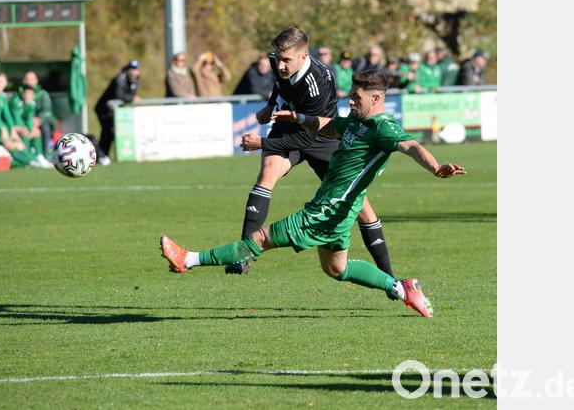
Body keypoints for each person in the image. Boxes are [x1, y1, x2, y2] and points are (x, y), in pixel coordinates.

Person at [160, 70, 467, 319]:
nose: (350, 100)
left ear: (376, 98)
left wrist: (436, 167)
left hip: (329, 210)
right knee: (337, 268)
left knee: (261, 240)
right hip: (340, 210)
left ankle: (188, 260)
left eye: (356, 97)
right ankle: (404, 289)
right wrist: (298, 118)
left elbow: (410, 146)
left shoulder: (382, 128)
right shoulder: (356, 122)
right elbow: (330, 126)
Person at [231, 27, 396, 283]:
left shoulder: (319, 81)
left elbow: (306, 138)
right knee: (267, 174)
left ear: (304, 56)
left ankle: (390, 278)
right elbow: (281, 84)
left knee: (360, 204)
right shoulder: (280, 62)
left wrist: (262, 142)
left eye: (286, 60)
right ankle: (243, 254)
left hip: (320, 133)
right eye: (278, 57)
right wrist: (270, 105)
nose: (280, 64)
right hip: (288, 123)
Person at [0, 73, 49, 168]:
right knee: (14, 144)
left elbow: (8, 116)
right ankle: (31, 161)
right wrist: (4, 128)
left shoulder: (3, 97)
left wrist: (16, 130)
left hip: (4, 128)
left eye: (2, 81)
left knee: (25, 139)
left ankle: (36, 159)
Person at [94, 60, 141, 162]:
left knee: (110, 132)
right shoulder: (120, 78)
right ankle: (101, 155)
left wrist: (131, 98)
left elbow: (131, 94)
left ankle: (103, 155)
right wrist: (131, 99)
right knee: (107, 132)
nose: (133, 72)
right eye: (132, 69)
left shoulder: (135, 80)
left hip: (114, 110)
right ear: (128, 69)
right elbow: (119, 95)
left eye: (136, 69)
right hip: (104, 109)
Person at [9, 85, 53, 168]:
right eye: (27, 94)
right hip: (12, 127)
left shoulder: (31, 104)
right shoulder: (16, 102)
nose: (29, 96)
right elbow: (16, 119)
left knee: (36, 131)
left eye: (31, 94)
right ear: (23, 94)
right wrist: (23, 129)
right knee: (25, 134)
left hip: (21, 126)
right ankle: (32, 160)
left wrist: (30, 129)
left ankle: (39, 157)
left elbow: (29, 119)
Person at [21, 71, 56, 158]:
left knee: (45, 128)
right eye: (27, 79)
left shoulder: (43, 94)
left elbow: (47, 111)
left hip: (42, 121)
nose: (29, 81)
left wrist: (39, 119)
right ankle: (29, 156)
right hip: (25, 121)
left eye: (31, 79)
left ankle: (46, 156)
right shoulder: (19, 95)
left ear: (36, 81)